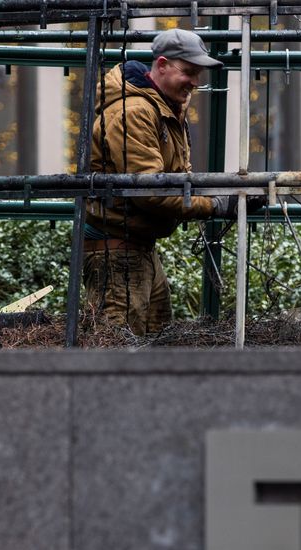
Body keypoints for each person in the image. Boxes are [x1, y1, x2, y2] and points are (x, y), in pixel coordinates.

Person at [83, 28, 262, 335]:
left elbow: (176, 178)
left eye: (198, 74)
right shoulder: (135, 112)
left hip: (136, 249)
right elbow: (149, 191)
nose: (195, 82)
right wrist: (217, 205)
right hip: (117, 254)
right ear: (162, 65)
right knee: (114, 353)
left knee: (154, 343)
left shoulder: (162, 108)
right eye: (189, 72)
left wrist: (224, 193)